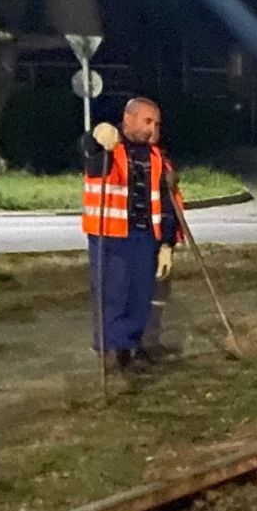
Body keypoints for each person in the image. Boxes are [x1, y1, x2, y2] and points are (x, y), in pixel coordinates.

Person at [82, 97, 181, 374]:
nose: (153, 128)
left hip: (145, 237)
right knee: (112, 295)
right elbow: (88, 150)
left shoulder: (157, 158)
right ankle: (110, 349)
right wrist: (94, 136)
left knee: (140, 296)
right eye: (147, 121)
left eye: (156, 123)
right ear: (128, 120)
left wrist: (167, 244)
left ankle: (132, 347)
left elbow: (168, 204)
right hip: (110, 236)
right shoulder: (109, 149)